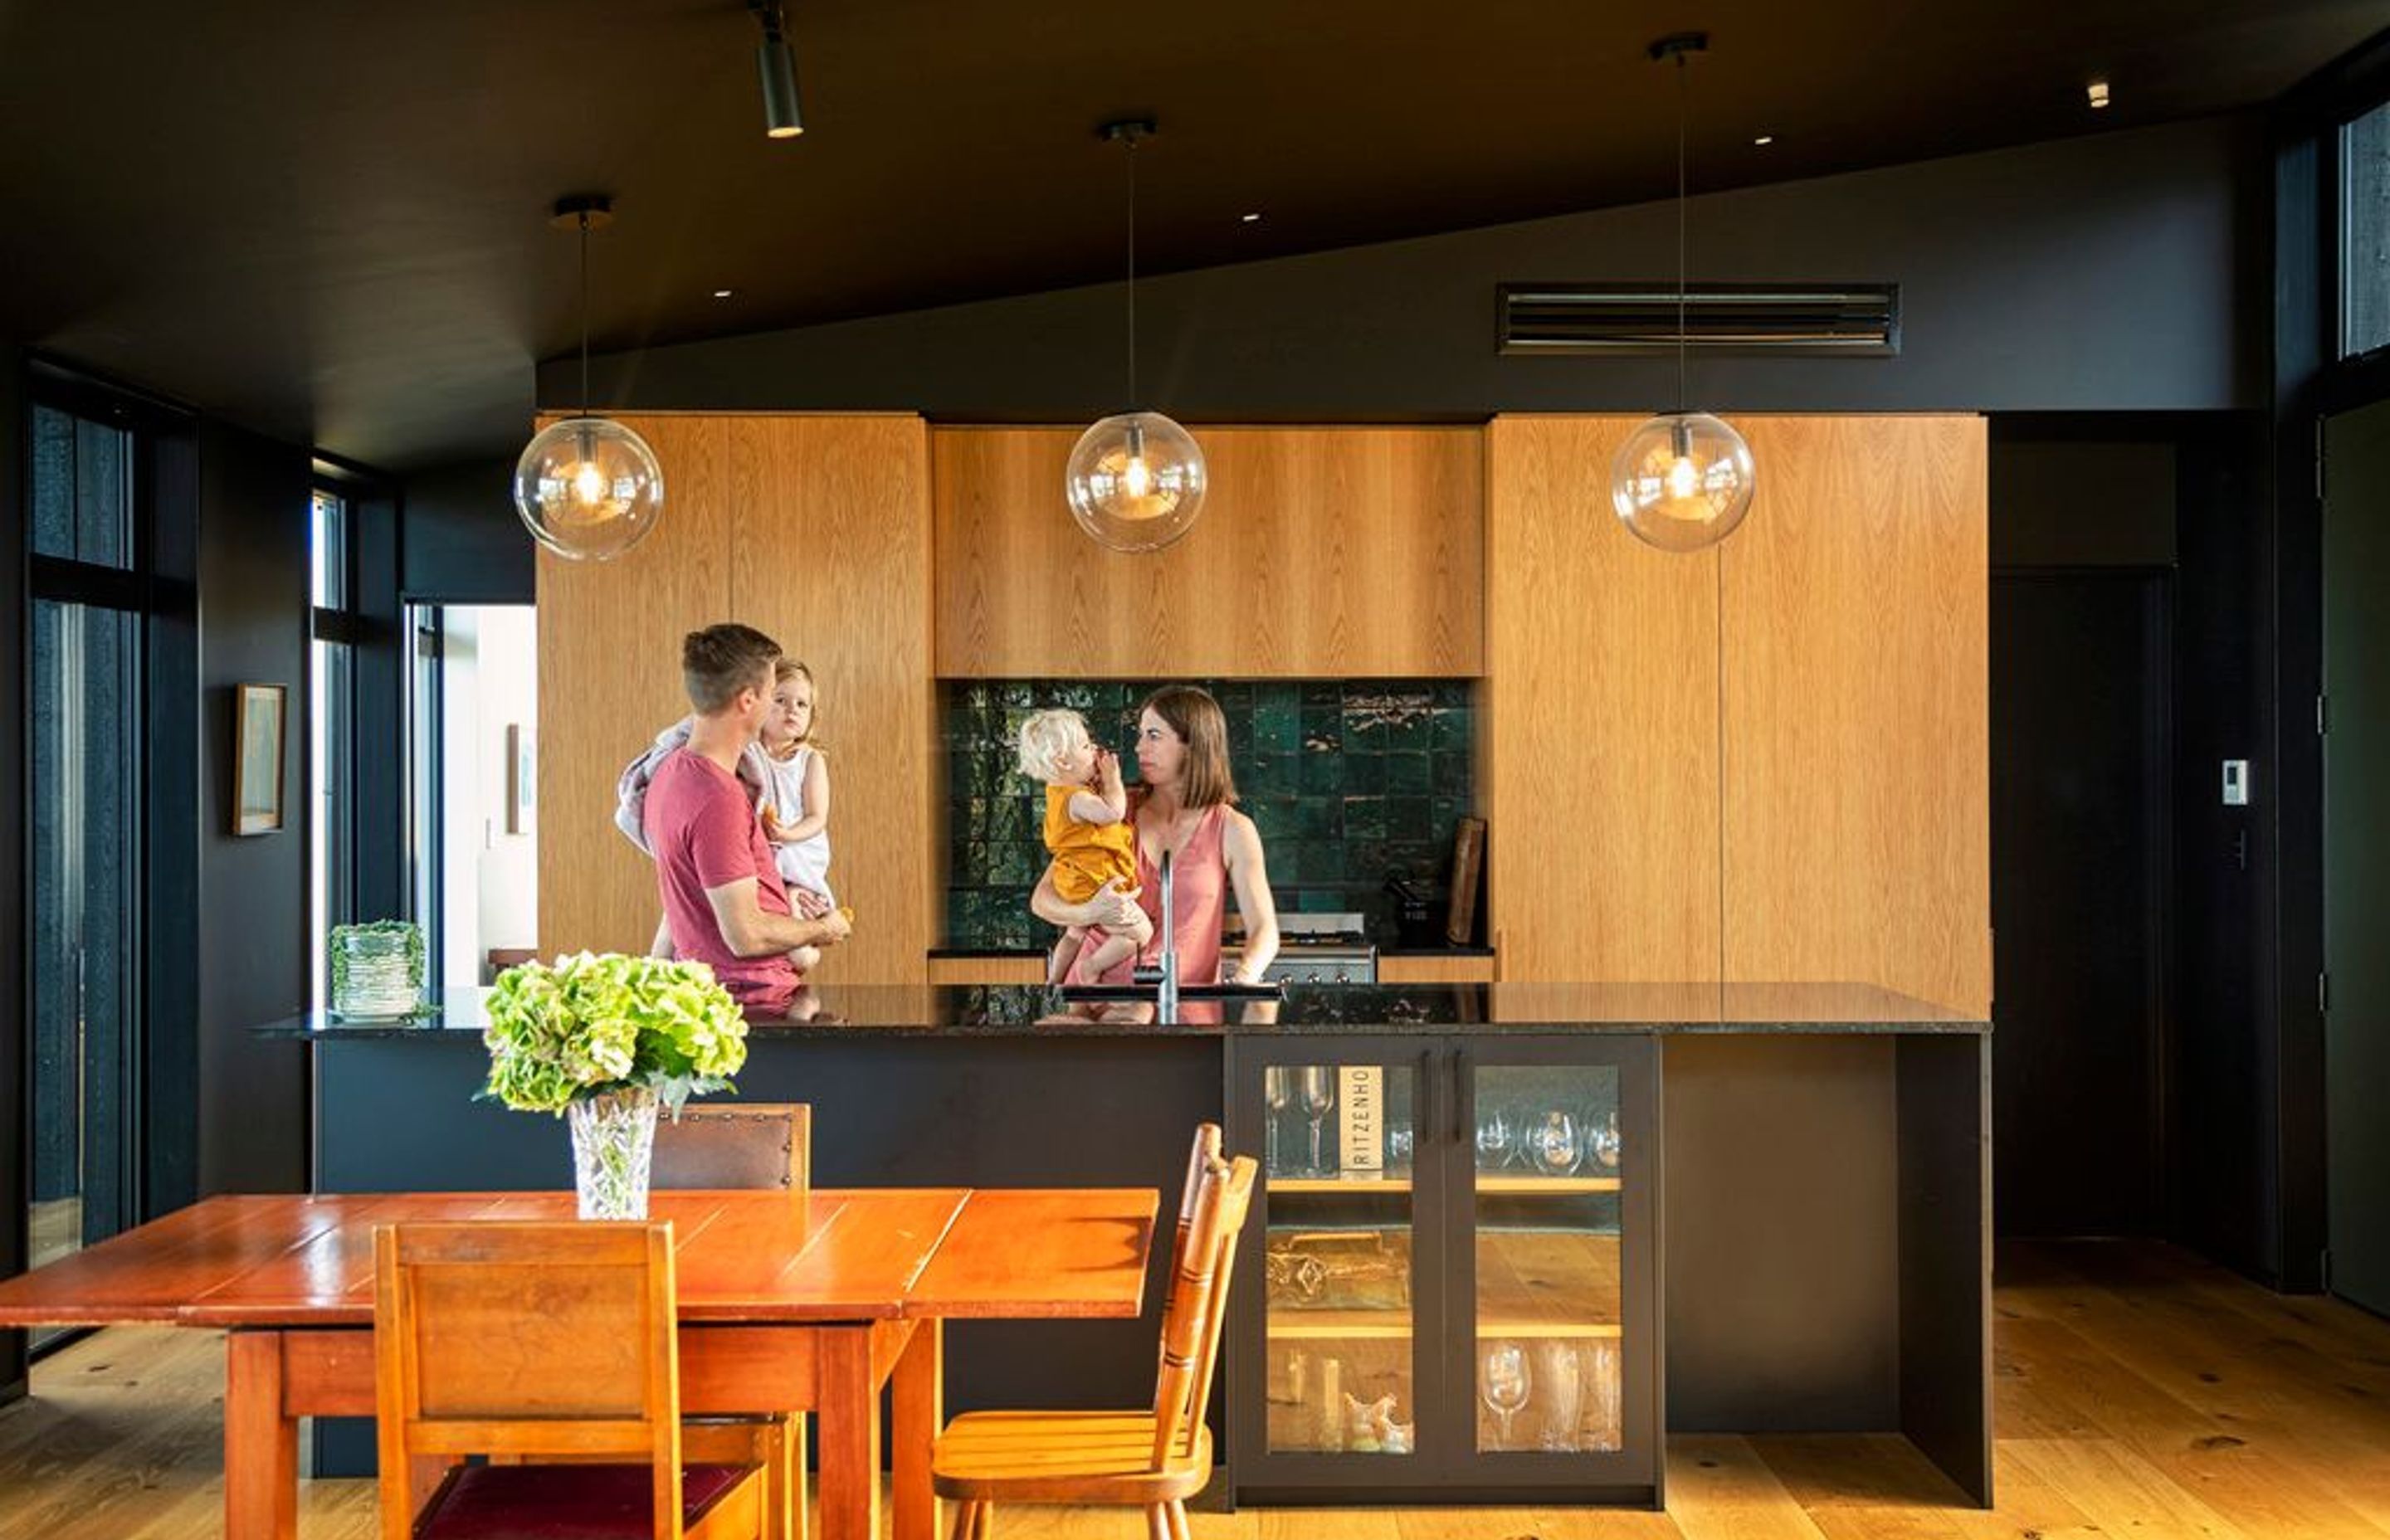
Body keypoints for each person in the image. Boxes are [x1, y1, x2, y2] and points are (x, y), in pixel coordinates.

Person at [642, 623, 848, 1011]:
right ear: (748, 701)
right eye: (774, 694)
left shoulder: (670, 775)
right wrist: (825, 927)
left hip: (717, 998)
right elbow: (746, 936)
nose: (780, 705)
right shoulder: (718, 799)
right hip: (748, 1004)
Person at [1032, 685, 1281, 992]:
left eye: (1153, 735)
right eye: (1141, 735)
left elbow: (1264, 930)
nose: (1138, 748)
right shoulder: (1113, 810)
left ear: (1194, 745)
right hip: (1091, 1002)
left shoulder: (1232, 829)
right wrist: (1089, 913)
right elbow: (1042, 900)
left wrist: (1243, 979)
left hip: (1184, 1012)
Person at [1016, 707, 1154, 984]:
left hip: (1075, 883)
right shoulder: (1078, 798)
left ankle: (1053, 981)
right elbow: (1112, 813)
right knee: (1140, 933)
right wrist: (1113, 780)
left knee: (1074, 934)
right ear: (1063, 762)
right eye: (1084, 745)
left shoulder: (1058, 795)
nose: (1094, 749)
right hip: (1095, 884)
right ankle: (1092, 967)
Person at [758, 659, 835, 972]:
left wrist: (787, 834)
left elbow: (817, 817)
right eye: (781, 701)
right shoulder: (751, 755)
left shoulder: (809, 760)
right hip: (766, 858)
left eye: (802, 704)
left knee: (800, 956)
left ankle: (808, 952)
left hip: (798, 854)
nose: (792, 710)